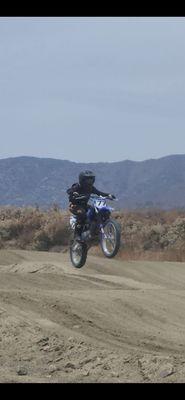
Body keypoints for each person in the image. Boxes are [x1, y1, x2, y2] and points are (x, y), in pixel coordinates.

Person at [66, 170, 116, 241]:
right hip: (75, 206)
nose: (90, 181)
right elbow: (69, 190)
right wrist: (74, 192)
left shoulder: (91, 188)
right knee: (82, 214)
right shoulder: (77, 186)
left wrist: (108, 195)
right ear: (82, 179)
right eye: (88, 180)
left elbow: (99, 193)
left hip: (85, 205)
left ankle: (101, 228)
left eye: (91, 179)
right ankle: (77, 235)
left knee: (100, 211)